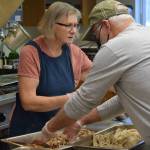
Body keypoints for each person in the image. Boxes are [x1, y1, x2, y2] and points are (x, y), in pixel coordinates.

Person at [39, 0, 150, 145]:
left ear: (105, 25)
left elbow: (83, 100)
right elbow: (124, 99)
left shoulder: (115, 47)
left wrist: (48, 130)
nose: (98, 40)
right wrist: (81, 121)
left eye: (96, 34)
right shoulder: (145, 34)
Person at [9, 1, 92, 136]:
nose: (74, 31)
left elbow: (97, 76)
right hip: (31, 132)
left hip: (57, 130)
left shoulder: (74, 51)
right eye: (68, 25)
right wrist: (70, 98)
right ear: (51, 24)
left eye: (76, 25)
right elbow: (28, 102)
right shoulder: (31, 52)